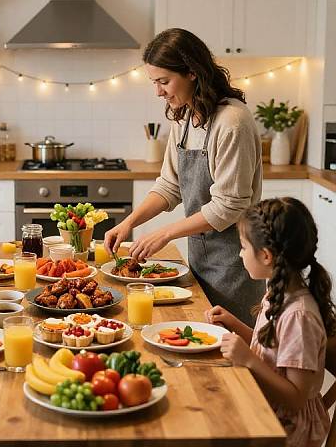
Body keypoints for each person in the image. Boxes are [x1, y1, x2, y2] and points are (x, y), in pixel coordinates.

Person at [104, 27, 263, 325]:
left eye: (164, 81)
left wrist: (165, 233)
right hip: (201, 258)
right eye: (154, 82)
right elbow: (169, 185)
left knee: (235, 359)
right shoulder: (186, 116)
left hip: (238, 261)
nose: (158, 92)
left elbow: (228, 206)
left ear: (192, 72)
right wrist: (129, 223)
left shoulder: (232, 122)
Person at [206, 197, 336, 447]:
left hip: (286, 430)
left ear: (266, 256)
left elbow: (296, 398)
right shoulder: (279, 292)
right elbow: (270, 351)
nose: (240, 253)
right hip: (265, 407)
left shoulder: (300, 317)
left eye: (243, 247)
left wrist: (248, 359)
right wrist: (233, 323)